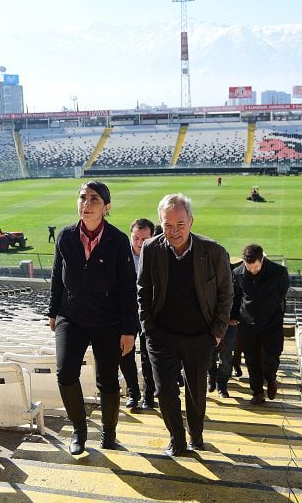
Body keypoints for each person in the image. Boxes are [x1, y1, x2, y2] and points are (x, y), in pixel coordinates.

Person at [138, 193, 233, 456]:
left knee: (196, 392)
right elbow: (143, 289)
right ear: (160, 223)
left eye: (180, 224)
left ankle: (196, 434)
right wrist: (148, 328)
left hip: (200, 336)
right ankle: (176, 440)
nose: (174, 231)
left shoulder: (213, 251)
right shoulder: (151, 248)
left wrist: (216, 332)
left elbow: (226, 293)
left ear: (191, 221)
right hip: (161, 335)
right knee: (164, 392)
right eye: (167, 225)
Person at [48, 181, 137, 455]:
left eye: (94, 199)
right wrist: (52, 311)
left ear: (106, 207)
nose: (86, 203)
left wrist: (129, 329)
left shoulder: (118, 240)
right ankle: (79, 429)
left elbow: (127, 286)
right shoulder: (65, 236)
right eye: (83, 197)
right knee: (65, 374)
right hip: (71, 317)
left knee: (108, 381)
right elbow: (56, 276)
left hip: (107, 321)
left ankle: (109, 432)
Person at [232, 244, 289, 405]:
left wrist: (269, 309)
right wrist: (234, 316)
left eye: (255, 267)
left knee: (272, 356)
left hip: (271, 322)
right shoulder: (237, 273)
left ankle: (271, 378)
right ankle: (257, 392)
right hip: (247, 323)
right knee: (251, 359)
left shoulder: (279, 272)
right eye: (248, 267)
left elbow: (281, 295)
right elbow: (236, 297)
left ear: (262, 260)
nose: (252, 270)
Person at [119, 218, 156, 409]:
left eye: (144, 239)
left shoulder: (157, 254)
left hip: (150, 311)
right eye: (136, 238)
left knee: (150, 356)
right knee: (125, 354)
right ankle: (133, 393)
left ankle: (149, 396)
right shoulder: (121, 254)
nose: (140, 243)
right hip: (127, 310)